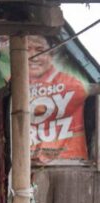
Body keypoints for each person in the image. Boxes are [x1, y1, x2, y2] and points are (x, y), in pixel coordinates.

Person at [27, 35, 94, 164]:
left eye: (40, 50)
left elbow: (83, 91)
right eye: (27, 50)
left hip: (68, 158)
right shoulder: (13, 82)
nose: (33, 56)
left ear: (51, 55)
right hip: (23, 160)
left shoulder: (70, 81)